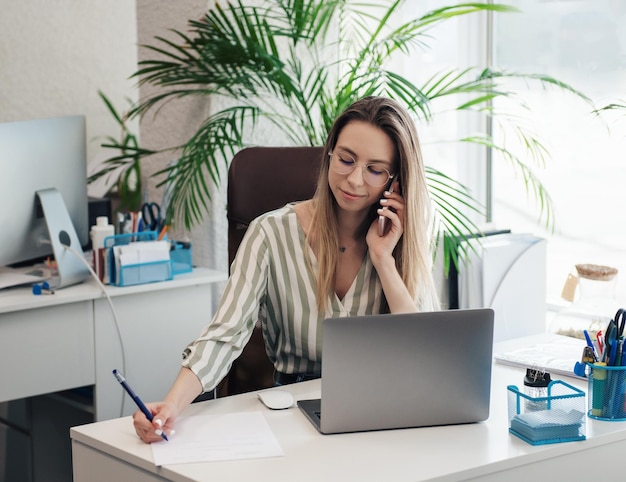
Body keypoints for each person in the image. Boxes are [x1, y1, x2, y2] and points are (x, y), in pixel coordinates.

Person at [133, 95, 440, 443]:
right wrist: (172, 405)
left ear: (395, 181)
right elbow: (224, 335)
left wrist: (384, 258)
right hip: (294, 410)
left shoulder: (405, 237)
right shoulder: (269, 233)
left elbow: (422, 352)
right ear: (329, 155)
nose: (354, 180)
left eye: (375, 170)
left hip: (383, 409)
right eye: (346, 160)